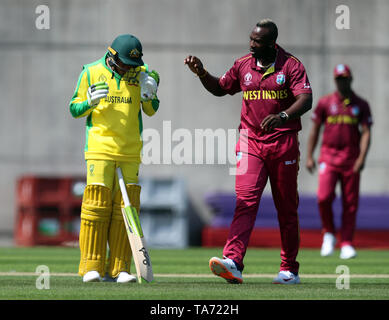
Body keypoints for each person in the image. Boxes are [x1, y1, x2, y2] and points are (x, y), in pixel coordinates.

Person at [185, 19, 312, 284]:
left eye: (257, 42)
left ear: (271, 43)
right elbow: (221, 88)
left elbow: (306, 99)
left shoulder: (291, 66)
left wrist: (284, 115)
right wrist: (201, 73)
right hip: (250, 143)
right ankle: (233, 261)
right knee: (245, 201)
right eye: (251, 40)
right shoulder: (243, 64)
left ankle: (289, 269)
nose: (252, 46)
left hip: (283, 143)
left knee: (286, 208)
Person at [69, 34, 160, 282]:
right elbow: (74, 109)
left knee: (126, 211)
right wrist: (88, 101)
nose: (130, 69)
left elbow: (151, 111)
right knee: (96, 208)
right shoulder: (91, 71)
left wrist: (149, 94)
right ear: (112, 57)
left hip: (130, 150)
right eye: (125, 64)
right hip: (99, 148)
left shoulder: (144, 73)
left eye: (134, 65)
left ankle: (120, 269)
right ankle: (91, 267)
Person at [306, 64, 372, 259]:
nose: (342, 82)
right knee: (324, 197)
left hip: (351, 160)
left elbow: (366, 132)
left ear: (350, 79)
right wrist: (309, 156)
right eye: (339, 79)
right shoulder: (326, 103)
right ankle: (328, 233)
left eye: (345, 78)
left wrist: (361, 158)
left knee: (350, 203)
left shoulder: (360, 104)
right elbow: (315, 130)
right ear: (335, 81)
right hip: (328, 157)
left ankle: (347, 242)